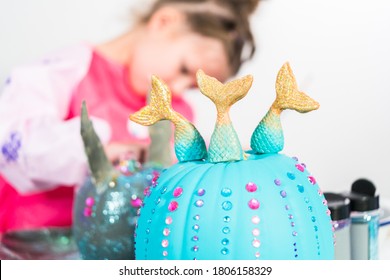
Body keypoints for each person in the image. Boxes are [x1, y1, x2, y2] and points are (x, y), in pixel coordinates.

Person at [0, 0, 261, 233]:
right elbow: (14, 145)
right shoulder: (68, 70)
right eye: (184, 69)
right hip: (27, 240)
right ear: (163, 22)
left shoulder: (176, 114)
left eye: (193, 86)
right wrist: (100, 153)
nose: (180, 89)